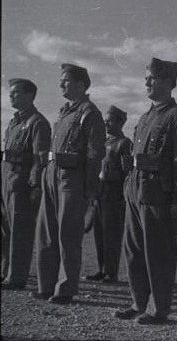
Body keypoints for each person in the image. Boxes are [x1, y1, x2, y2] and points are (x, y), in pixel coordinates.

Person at [114, 57, 177, 324]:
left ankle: (158, 309)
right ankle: (139, 303)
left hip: (159, 194)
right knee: (134, 251)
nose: (147, 81)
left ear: (169, 82)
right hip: (137, 192)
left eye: (153, 78)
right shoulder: (146, 116)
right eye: (146, 77)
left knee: (158, 253)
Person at [33, 64, 106, 304]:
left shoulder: (90, 113)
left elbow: (95, 154)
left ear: (81, 84)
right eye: (61, 80)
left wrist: (89, 188)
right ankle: (46, 285)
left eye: (65, 80)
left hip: (72, 179)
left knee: (68, 236)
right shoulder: (64, 112)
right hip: (52, 175)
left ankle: (65, 289)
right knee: (46, 233)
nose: (61, 84)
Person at [1, 79, 51, 290]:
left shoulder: (37, 122)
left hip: (21, 184)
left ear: (30, 95)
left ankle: (16, 277)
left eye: (16, 92)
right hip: (6, 180)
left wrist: (35, 186)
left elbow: (39, 159)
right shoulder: (13, 123)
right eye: (10, 92)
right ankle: (5, 271)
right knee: (5, 230)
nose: (11, 96)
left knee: (20, 231)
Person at [84, 105, 132, 283]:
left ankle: (111, 273)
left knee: (112, 236)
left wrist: (108, 175)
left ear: (120, 122)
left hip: (114, 196)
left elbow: (127, 173)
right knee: (99, 235)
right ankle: (101, 269)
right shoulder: (102, 142)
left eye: (110, 120)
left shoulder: (124, 144)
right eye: (105, 120)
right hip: (99, 195)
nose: (106, 123)